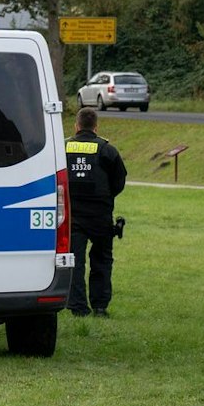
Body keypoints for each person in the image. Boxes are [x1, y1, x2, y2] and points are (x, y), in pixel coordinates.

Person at [65, 106, 127, 317]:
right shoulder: (108, 150)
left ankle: (78, 308)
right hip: (100, 216)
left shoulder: (63, 148)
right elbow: (119, 182)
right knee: (101, 260)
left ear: (77, 126)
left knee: (75, 262)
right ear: (96, 127)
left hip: (72, 216)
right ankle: (100, 307)